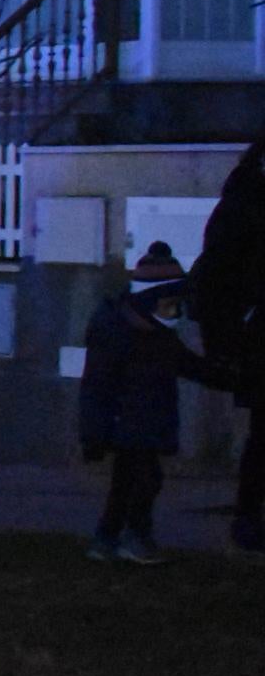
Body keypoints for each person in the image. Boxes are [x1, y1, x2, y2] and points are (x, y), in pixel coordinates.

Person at [79, 242, 216, 566]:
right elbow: (97, 388)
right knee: (143, 481)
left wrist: (230, 377)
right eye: (170, 305)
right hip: (128, 423)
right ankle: (134, 537)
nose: (176, 313)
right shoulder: (117, 333)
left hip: (143, 423)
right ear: (150, 302)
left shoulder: (153, 333)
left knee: (126, 483)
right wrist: (95, 434)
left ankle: (108, 537)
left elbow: (188, 365)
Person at [190, 139, 265, 553]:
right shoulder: (241, 209)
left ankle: (249, 515)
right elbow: (218, 283)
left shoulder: (240, 206)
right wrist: (230, 343)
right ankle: (248, 517)